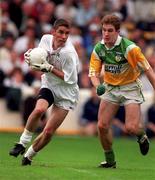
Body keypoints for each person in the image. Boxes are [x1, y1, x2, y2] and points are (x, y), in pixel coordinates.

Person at [9, 19, 79, 166]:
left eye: (67, 33)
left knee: (48, 132)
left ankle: (28, 156)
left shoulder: (68, 53)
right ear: (53, 32)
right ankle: (21, 143)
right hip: (49, 84)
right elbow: (40, 61)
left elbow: (69, 79)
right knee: (39, 109)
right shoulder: (45, 39)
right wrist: (31, 56)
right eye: (61, 32)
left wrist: (49, 68)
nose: (64, 36)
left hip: (67, 92)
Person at [89, 14, 155, 168]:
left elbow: (149, 70)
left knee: (131, 128)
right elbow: (93, 72)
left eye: (109, 30)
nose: (105, 34)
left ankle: (141, 135)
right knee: (102, 126)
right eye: (103, 30)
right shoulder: (99, 48)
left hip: (130, 87)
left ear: (118, 31)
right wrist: (96, 85)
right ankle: (110, 160)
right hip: (111, 88)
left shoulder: (130, 48)